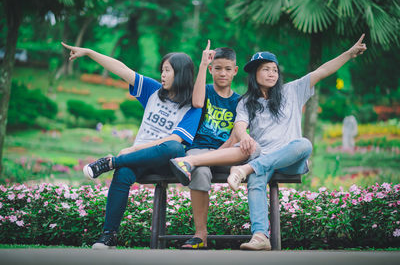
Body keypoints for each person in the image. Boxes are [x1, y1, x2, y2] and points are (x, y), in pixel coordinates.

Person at [169, 34, 367, 250]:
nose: (271, 73)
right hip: (261, 162)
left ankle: (246, 169)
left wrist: (349, 54)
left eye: (274, 69)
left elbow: (322, 71)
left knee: (303, 144)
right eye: (265, 69)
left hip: (289, 160)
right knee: (256, 177)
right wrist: (244, 137)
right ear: (255, 74)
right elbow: (239, 127)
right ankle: (260, 237)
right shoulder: (246, 102)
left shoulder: (292, 91)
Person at [61, 42, 202, 249]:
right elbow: (122, 70)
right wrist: (89, 53)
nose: (162, 75)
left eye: (167, 70)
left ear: (180, 74)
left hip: (165, 162)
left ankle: (111, 162)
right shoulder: (153, 91)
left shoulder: (193, 107)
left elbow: (175, 141)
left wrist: (133, 149)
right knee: (124, 172)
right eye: (162, 70)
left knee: (174, 149)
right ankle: (108, 236)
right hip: (138, 161)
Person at [169, 40, 247, 249]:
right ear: (212, 69)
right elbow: (196, 102)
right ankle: (200, 234)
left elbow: (236, 136)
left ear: (235, 71)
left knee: (240, 160)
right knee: (201, 171)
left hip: (226, 153)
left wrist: (218, 155)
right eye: (218, 68)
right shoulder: (205, 91)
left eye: (227, 69)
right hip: (200, 148)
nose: (222, 73)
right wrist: (203, 64)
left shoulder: (240, 101)